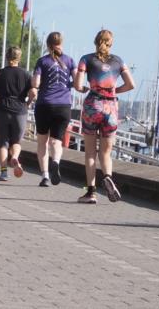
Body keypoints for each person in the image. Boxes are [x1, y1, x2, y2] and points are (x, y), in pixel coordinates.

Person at [74, 29, 135, 204]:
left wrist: (86, 88)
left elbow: (78, 85)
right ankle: (108, 177)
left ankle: (90, 192)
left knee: (90, 152)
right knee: (106, 152)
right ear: (111, 43)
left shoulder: (86, 59)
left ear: (95, 41)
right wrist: (115, 91)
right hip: (111, 108)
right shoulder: (118, 61)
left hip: (93, 105)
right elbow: (131, 84)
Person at [31, 32, 76, 187]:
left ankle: (45, 176)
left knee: (42, 142)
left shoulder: (42, 61)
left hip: (44, 104)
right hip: (63, 106)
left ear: (47, 44)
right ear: (61, 43)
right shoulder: (70, 61)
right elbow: (77, 83)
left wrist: (36, 86)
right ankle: (55, 162)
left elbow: (36, 82)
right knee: (56, 141)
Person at [0, 46, 33, 181]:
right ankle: (14, 157)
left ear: (7, 57)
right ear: (19, 58)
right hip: (20, 110)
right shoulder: (26, 75)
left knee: (2, 143)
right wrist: (28, 103)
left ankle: (3, 172)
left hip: (3, 109)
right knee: (16, 141)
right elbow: (33, 92)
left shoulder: (0, 74)